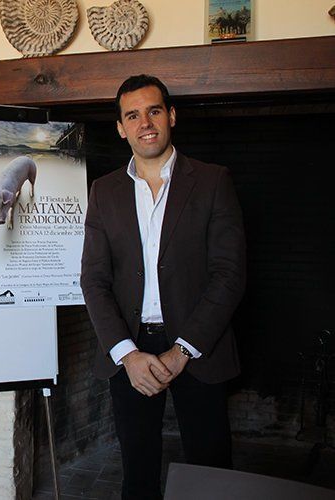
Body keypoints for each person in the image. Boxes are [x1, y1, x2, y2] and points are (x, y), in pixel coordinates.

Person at [80, 75, 245, 499]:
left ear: (171, 115)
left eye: (154, 110)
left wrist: (183, 349)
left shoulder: (212, 180)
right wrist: (127, 355)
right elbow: (93, 280)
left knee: (212, 475)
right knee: (137, 475)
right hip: (129, 349)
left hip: (198, 348)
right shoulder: (104, 191)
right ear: (120, 127)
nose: (144, 122)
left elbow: (229, 274)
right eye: (132, 115)